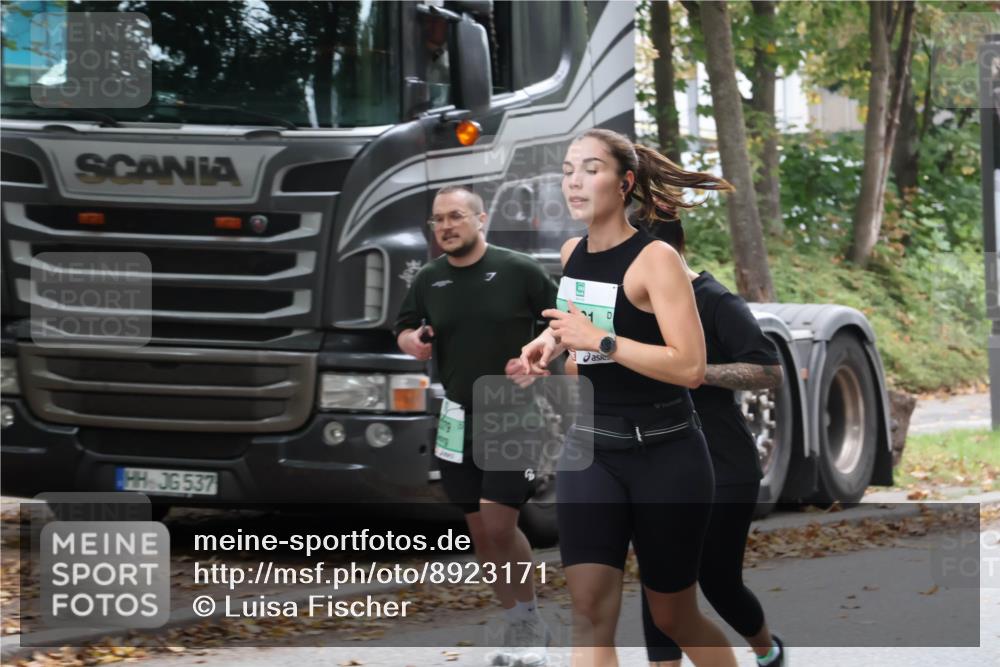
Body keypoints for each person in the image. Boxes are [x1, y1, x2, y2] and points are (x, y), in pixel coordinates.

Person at [515, 128, 739, 667]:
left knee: (672, 617)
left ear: (626, 183)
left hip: (667, 456)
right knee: (589, 612)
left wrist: (602, 343)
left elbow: (689, 367)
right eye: (569, 170)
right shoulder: (572, 252)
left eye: (591, 169)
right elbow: (580, 324)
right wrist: (546, 343)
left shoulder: (655, 259)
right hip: (591, 450)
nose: (575, 181)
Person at [394, 185, 558, 667]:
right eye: (438, 220)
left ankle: (528, 623)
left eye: (456, 217)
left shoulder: (518, 271)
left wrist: (542, 359)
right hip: (456, 416)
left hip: (514, 415)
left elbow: (566, 323)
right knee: (480, 533)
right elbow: (404, 326)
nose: (446, 226)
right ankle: (521, 623)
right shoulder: (429, 279)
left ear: (480, 219)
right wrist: (413, 341)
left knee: (498, 520)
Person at [627, 216, 787, 667]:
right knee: (659, 578)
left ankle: (767, 650)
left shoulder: (714, 301)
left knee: (718, 581)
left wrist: (697, 372)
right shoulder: (632, 303)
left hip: (724, 465)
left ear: (673, 250)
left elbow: (768, 371)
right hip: (661, 460)